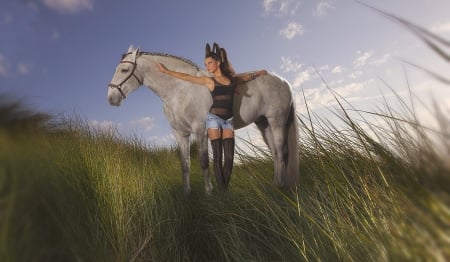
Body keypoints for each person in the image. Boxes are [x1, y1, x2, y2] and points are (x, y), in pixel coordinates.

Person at [157, 43, 267, 192]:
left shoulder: (232, 80)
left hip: (228, 120)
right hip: (213, 119)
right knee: (217, 157)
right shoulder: (209, 81)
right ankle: (223, 195)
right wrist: (167, 71)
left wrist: (258, 73)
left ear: (218, 62)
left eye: (209, 63)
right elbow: (187, 77)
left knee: (228, 159)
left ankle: (222, 189)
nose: (207, 66)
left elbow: (246, 77)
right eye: (205, 64)